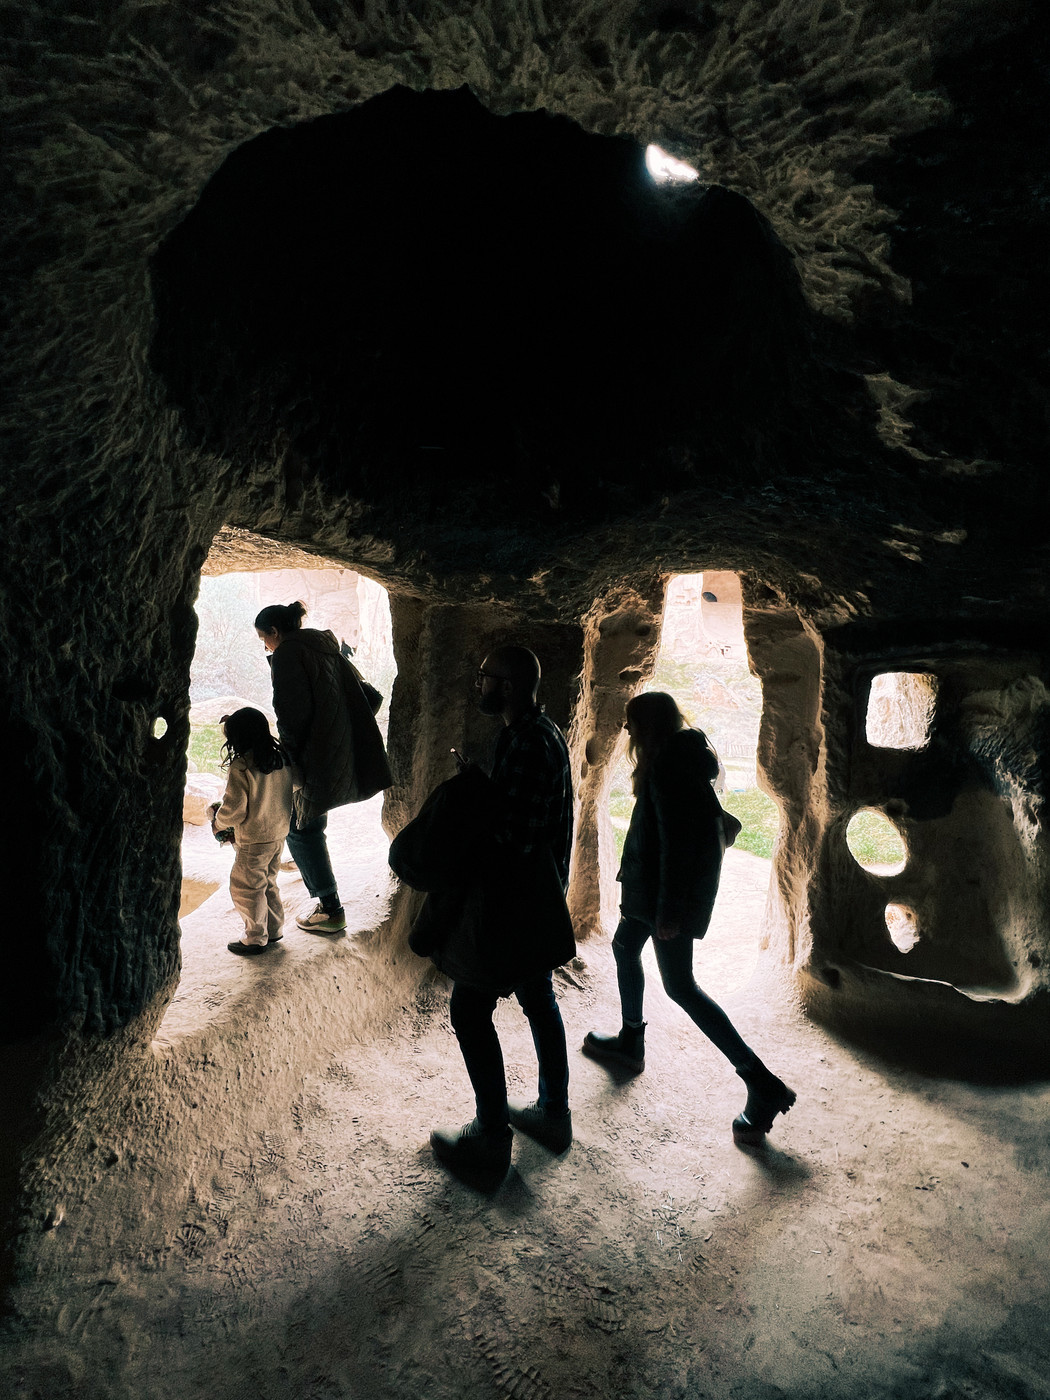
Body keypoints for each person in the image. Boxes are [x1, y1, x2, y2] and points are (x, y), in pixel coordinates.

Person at [582, 691, 796, 1146]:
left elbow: (677, 846)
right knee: (624, 948)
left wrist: (670, 912)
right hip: (651, 891)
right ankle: (631, 1039)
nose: (627, 733)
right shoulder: (679, 758)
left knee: (681, 986)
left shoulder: (667, 770)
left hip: (662, 897)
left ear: (647, 729)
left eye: (631, 724)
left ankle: (761, 1083)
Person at [427, 645, 576, 1178]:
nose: (479, 685)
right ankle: (554, 1115)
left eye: (485, 677)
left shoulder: (528, 743)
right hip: (537, 897)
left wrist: (472, 803)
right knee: (539, 998)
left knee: (469, 1012)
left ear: (508, 686)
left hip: (517, 901)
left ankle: (492, 1141)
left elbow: (516, 836)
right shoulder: (539, 732)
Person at [254, 600, 392, 934]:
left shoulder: (288, 654)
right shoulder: (326, 647)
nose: (265, 646)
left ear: (275, 631)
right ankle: (328, 906)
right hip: (333, 751)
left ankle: (330, 910)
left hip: (312, 757)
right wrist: (340, 731)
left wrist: (289, 757)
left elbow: (291, 714)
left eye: (264, 638)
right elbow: (370, 696)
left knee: (300, 826)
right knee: (307, 824)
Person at [210, 707, 294, 957]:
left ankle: (255, 938)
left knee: (246, 887)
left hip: (253, 840)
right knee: (268, 882)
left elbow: (234, 809)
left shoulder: (242, 766)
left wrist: (218, 821)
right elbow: (295, 786)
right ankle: (274, 928)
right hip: (278, 834)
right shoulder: (281, 759)